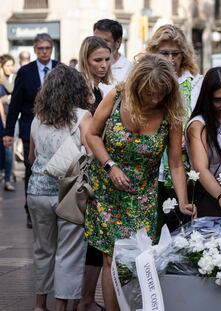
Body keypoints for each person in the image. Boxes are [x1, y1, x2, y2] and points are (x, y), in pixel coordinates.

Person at [84, 53, 195, 310]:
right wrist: (110, 166)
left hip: (143, 196)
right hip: (107, 191)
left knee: (140, 259)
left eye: (160, 94)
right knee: (112, 258)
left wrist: (183, 201)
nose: (154, 99)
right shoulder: (117, 96)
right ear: (137, 87)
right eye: (149, 94)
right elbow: (91, 134)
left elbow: (176, 163)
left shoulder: (170, 113)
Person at [27, 64, 92, 311]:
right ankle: (61, 308)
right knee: (70, 253)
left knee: (43, 251)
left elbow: (32, 157)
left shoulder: (37, 118)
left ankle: (39, 305)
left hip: (37, 191)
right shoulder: (83, 116)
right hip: (69, 193)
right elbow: (90, 152)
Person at [145, 24, 203, 234]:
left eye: (175, 53)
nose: (170, 59)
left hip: (185, 170)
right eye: (164, 53)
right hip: (151, 173)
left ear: (183, 55)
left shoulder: (195, 84)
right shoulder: (145, 83)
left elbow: (201, 123)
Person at [3, 33, 58, 229]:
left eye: (47, 48)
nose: (44, 52)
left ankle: (55, 210)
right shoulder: (25, 72)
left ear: (51, 49)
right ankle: (31, 212)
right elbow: (16, 103)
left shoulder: (60, 69)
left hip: (55, 130)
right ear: (35, 49)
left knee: (55, 170)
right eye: (40, 48)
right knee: (30, 169)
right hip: (29, 129)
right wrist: (8, 132)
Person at [76, 36, 112, 311]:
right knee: (91, 241)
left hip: (96, 169)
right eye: (97, 60)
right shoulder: (86, 90)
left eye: (106, 59)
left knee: (95, 241)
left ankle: (84, 298)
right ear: (86, 60)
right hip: (87, 171)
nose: (102, 65)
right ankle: (84, 299)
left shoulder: (100, 88)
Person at [186, 67, 221, 218]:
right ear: (207, 98)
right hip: (206, 195)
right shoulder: (198, 126)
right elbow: (201, 169)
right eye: (218, 100)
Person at [93, 19, 132, 85]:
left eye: (104, 41)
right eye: (95, 40)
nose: (98, 44)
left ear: (118, 42)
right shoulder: (83, 65)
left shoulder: (129, 70)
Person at [0, 54, 16, 191]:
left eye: (12, 65)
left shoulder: (15, 78)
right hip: (2, 119)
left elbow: (13, 93)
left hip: (12, 118)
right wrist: (7, 98)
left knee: (10, 150)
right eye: (7, 65)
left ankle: (8, 178)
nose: (10, 68)